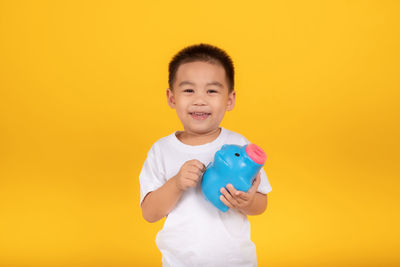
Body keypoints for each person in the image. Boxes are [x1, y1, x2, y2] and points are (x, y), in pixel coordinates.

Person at [139, 43, 272, 267]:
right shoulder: (161, 150)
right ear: (172, 98)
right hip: (179, 262)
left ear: (229, 100)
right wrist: (176, 184)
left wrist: (246, 202)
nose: (199, 99)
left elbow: (261, 203)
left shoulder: (239, 145)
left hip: (235, 261)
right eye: (189, 90)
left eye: (211, 91)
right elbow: (149, 213)